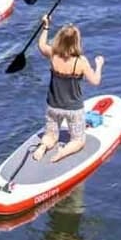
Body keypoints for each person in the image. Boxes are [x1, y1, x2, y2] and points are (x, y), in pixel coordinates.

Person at [34, 14, 104, 163]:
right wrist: (99, 65)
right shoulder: (81, 61)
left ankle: (43, 146)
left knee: (51, 135)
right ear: (76, 42)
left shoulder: (53, 54)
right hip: (73, 109)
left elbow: (41, 45)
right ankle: (61, 153)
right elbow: (95, 81)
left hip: (53, 105)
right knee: (78, 140)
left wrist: (46, 26)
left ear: (59, 39)